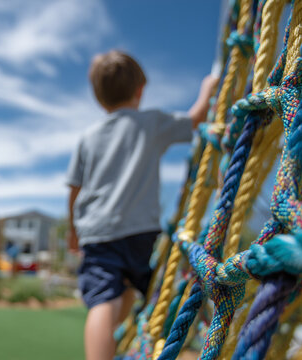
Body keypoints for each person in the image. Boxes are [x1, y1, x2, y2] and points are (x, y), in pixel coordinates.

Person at [66, 50, 217, 360]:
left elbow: (74, 190)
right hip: (140, 234)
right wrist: (208, 87)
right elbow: (197, 117)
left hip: (97, 232)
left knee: (102, 301)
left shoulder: (88, 137)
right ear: (140, 91)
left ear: (99, 99)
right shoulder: (151, 122)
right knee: (138, 291)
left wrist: (72, 231)